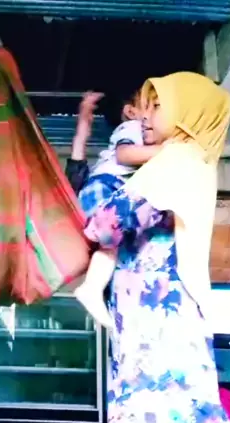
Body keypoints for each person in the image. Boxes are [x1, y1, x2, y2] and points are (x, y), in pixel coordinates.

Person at [84, 71, 230, 423]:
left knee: (156, 398)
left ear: (187, 113)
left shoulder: (178, 159)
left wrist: (91, 223)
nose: (146, 115)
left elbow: (109, 222)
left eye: (158, 107)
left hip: (157, 303)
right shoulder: (192, 160)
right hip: (160, 299)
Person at [66, 89, 163, 328]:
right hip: (105, 189)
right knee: (112, 244)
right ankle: (92, 288)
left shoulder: (133, 130)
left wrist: (85, 113)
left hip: (95, 193)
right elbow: (124, 155)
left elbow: (78, 154)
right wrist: (172, 149)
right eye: (150, 106)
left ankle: (93, 287)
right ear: (130, 112)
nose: (152, 115)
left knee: (110, 247)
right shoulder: (132, 128)